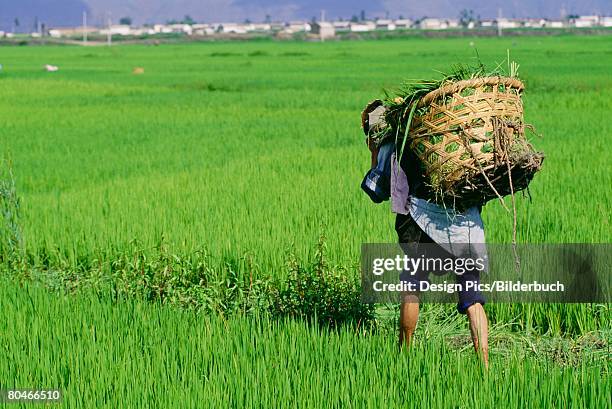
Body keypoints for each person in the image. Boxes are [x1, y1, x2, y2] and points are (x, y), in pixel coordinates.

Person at [361, 102, 489, 368]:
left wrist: (375, 154)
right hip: (464, 223)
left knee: (412, 287)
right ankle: (484, 367)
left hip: (422, 223)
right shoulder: (455, 133)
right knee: (472, 296)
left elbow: (377, 190)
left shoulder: (396, 138)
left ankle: (404, 357)